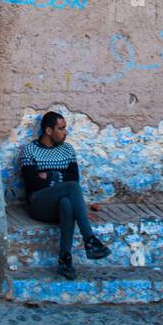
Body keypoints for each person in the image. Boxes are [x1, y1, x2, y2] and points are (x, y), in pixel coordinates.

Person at [19, 111, 110, 279]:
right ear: (48, 131)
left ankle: (65, 259)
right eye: (61, 129)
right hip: (39, 203)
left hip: (59, 204)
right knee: (71, 188)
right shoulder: (30, 150)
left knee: (67, 203)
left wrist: (49, 176)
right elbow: (32, 183)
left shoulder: (67, 150)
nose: (65, 132)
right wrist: (59, 177)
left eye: (65, 128)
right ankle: (89, 239)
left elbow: (73, 177)